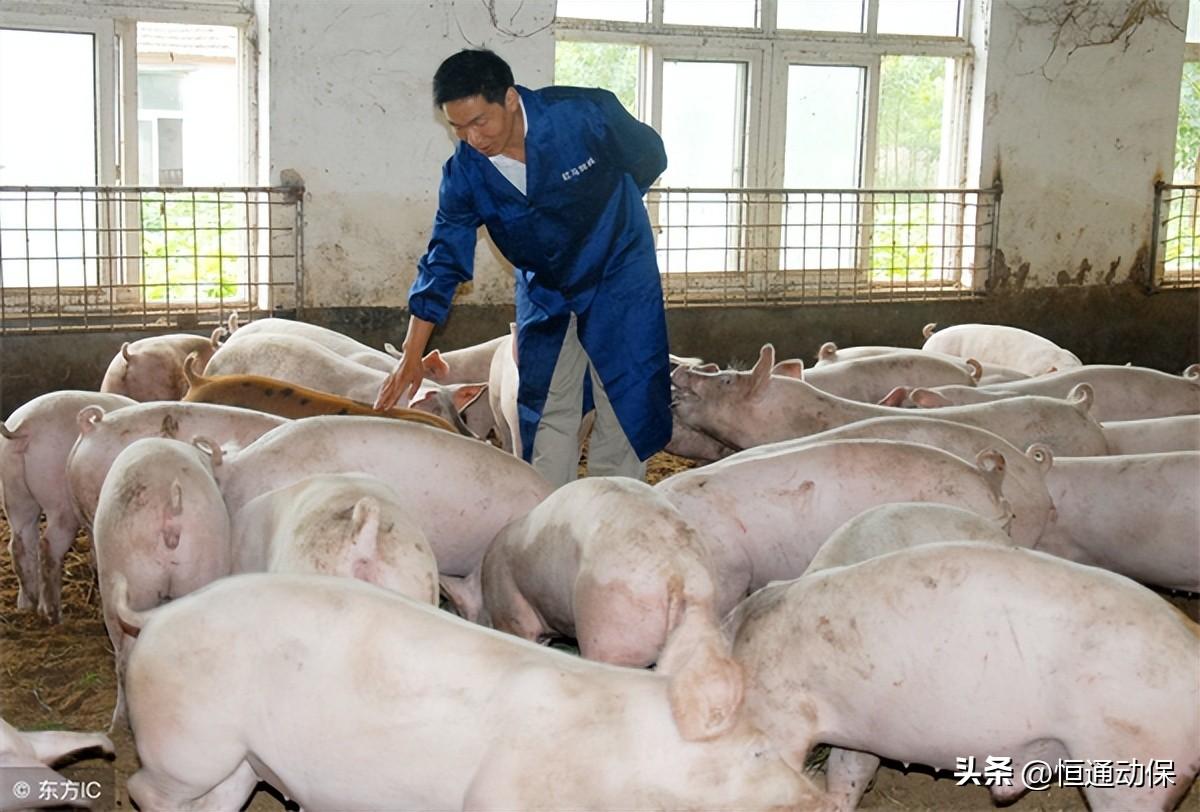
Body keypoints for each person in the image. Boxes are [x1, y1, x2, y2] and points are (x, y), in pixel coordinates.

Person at [374, 48, 671, 488]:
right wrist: (411, 354)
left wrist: (613, 214)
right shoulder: (465, 174)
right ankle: (548, 510)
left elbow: (649, 157)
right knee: (546, 401)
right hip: (545, 286)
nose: (473, 138)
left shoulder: (584, 115)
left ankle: (612, 505)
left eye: (480, 122)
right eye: (458, 128)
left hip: (617, 271)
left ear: (510, 99)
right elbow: (443, 260)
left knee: (624, 395)